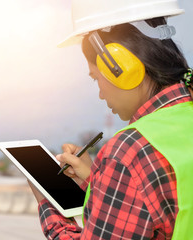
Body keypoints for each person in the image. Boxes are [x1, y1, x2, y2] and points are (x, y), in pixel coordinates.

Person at [28, 0, 193, 239]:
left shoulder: (129, 153)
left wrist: (47, 204)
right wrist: (95, 179)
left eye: (96, 78)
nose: (100, 94)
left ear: (121, 67)